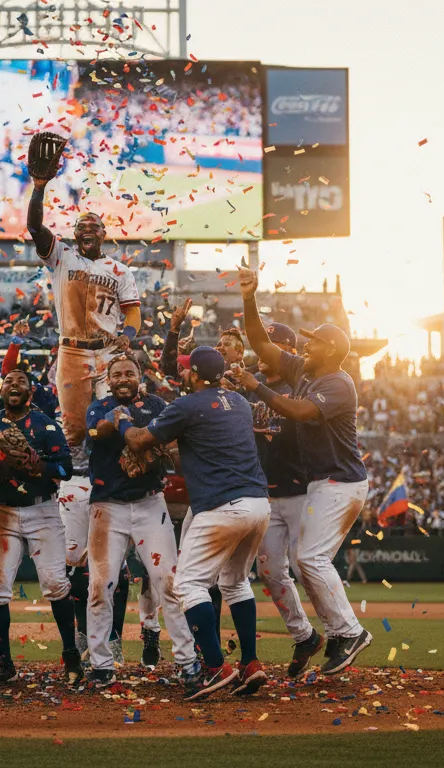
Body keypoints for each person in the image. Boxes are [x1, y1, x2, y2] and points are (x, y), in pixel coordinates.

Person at [26, 155, 142, 654]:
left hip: (110, 352)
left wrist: (129, 339)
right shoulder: (63, 259)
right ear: (75, 235)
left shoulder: (120, 269)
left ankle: (117, 478)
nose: (88, 232)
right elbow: (35, 228)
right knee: (74, 430)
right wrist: (39, 187)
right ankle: (75, 483)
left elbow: (133, 312)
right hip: (73, 352)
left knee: (118, 421)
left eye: (95, 227)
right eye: (82, 228)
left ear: (104, 234)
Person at [234, 266, 373, 676]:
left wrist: (257, 387)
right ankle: (338, 633)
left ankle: (350, 632)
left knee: (310, 558)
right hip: (322, 482)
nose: (305, 346)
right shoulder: (304, 371)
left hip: (342, 482)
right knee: (307, 560)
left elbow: (298, 411)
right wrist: (249, 297)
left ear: (330, 351)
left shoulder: (338, 383)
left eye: (314, 343)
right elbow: (260, 341)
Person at [117, 346, 270, 701]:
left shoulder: (187, 405)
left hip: (222, 506)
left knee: (188, 585)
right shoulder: (239, 402)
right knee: (235, 582)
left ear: (197, 375)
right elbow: (202, 442)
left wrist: (122, 419)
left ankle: (214, 667)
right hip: (258, 503)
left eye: (187, 368)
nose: (183, 372)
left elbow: (138, 441)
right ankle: (250, 663)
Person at [0, 368, 81, 684]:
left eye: (21, 381)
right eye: (9, 381)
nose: (14, 385)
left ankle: (71, 656)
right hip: (3, 512)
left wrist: (38, 464)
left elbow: (66, 469)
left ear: (30, 391)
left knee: (56, 584)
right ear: (2, 391)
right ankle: (5, 664)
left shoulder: (46, 424)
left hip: (43, 510)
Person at [84, 354, 196, 684]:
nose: (122, 378)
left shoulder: (157, 406)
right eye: (117, 374)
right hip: (107, 507)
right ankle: (101, 664)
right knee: (100, 586)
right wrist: (119, 422)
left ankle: (187, 661)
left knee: (169, 582)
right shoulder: (98, 407)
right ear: (108, 379)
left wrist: (160, 444)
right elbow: (97, 432)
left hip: (149, 503)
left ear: (140, 377)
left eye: (129, 373)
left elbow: (172, 443)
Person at [242, 321, 321, 676]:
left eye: (270, 346)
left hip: (303, 490)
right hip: (266, 494)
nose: (262, 352)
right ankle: (305, 636)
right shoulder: (246, 385)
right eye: (261, 346)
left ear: (287, 352)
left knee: (307, 567)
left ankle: (339, 634)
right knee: (270, 571)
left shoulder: (300, 385)